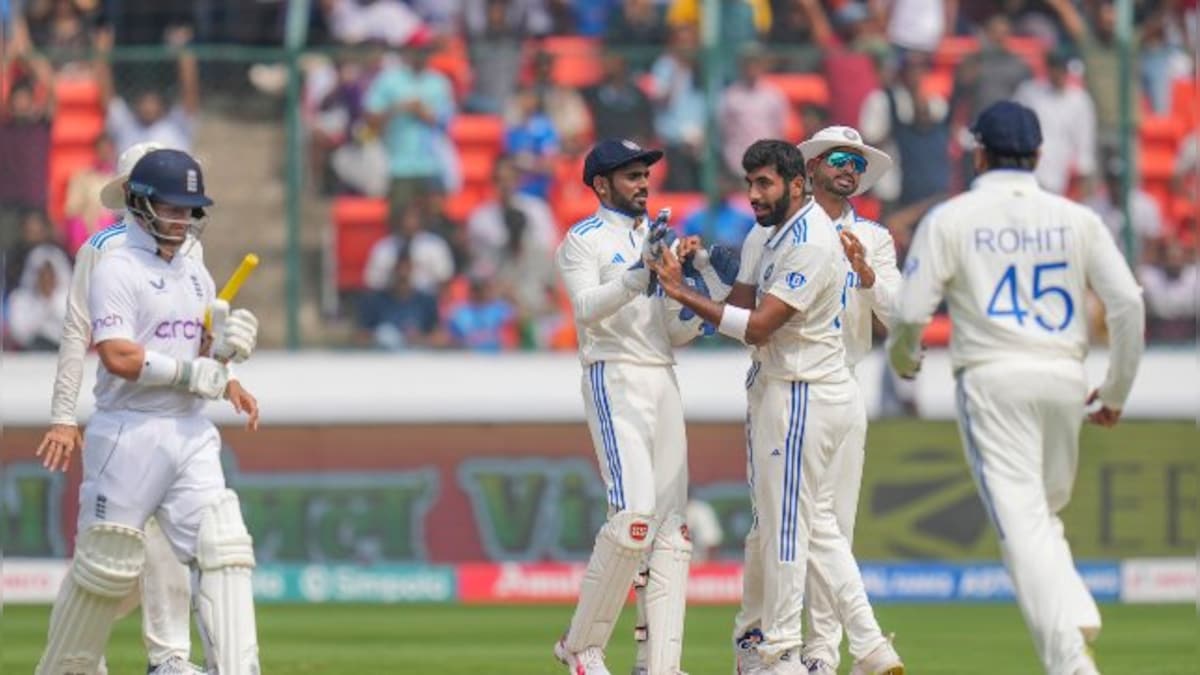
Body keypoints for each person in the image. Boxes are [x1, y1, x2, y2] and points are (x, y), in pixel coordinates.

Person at [887, 100, 1145, 675]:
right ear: (1039, 154)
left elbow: (908, 314)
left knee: (1021, 524)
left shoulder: (951, 217)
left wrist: (905, 361)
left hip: (992, 377)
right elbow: (1127, 302)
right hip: (1064, 376)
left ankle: (1070, 663)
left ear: (978, 152)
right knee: (1043, 511)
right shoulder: (1076, 218)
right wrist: (1117, 388)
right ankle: (1074, 606)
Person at [647, 140, 902, 675]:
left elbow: (759, 327)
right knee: (803, 527)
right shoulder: (770, 232)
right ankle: (868, 645)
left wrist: (679, 291)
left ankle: (785, 650)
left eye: (765, 184)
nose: (754, 195)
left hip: (808, 389)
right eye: (750, 184)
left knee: (792, 528)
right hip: (785, 385)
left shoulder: (818, 240)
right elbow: (741, 305)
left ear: (795, 183)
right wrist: (692, 273)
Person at [35, 149, 263, 675]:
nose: (182, 219)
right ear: (138, 202)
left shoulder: (193, 264)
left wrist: (227, 358)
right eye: (171, 207)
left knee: (223, 545)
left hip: (190, 429)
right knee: (106, 567)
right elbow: (108, 349)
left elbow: (196, 346)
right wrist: (63, 415)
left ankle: (204, 665)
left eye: (189, 208)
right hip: (129, 431)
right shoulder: (110, 257)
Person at [552, 138, 705, 675]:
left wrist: (695, 293)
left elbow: (672, 331)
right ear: (601, 184)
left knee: (670, 529)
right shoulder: (582, 240)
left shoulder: (653, 240)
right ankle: (580, 646)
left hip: (662, 377)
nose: (643, 183)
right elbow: (587, 311)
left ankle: (660, 664)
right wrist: (639, 273)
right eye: (632, 175)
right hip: (613, 374)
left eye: (645, 174)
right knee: (634, 516)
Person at [794, 126, 899, 675]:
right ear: (811, 169)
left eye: (856, 162)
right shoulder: (788, 229)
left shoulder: (874, 237)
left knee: (836, 523)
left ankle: (822, 652)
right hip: (791, 382)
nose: (849, 169)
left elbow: (901, 314)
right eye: (838, 159)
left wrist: (867, 275)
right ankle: (815, 646)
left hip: (846, 379)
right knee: (802, 523)